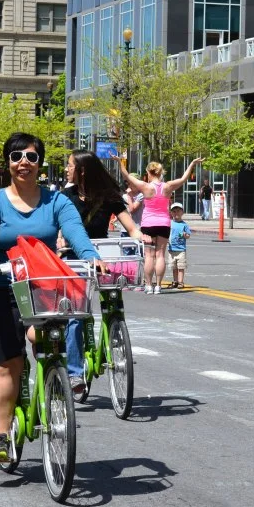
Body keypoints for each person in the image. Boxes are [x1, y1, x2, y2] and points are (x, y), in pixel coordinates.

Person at [0, 133, 105, 462]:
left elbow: (75, 230)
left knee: (46, 341)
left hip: (41, 290)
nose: (23, 163)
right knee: (8, 365)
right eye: (16, 157)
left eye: (31, 157)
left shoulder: (56, 201)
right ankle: (2, 436)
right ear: (8, 163)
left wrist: (90, 255)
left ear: (40, 163)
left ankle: (53, 388)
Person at [59, 150, 142, 393]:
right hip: (74, 259)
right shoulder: (65, 197)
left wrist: (141, 238)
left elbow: (130, 226)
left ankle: (114, 333)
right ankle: (75, 373)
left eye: (70, 165)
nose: (66, 169)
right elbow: (58, 228)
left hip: (103, 259)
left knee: (113, 303)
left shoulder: (109, 197)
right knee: (75, 315)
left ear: (82, 170)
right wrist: (58, 242)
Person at [117, 157, 202, 294]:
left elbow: (127, 176)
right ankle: (159, 285)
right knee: (160, 255)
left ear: (149, 173)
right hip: (163, 223)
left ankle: (149, 285)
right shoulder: (167, 186)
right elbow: (183, 179)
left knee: (149, 256)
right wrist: (192, 164)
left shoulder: (145, 186)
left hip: (148, 224)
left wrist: (119, 162)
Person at [167, 202, 191, 289]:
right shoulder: (170, 223)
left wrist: (185, 235)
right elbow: (167, 234)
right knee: (174, 267)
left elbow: (188, 235)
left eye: (178, 211)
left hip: (181, 249)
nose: (176, 213)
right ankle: (175, 281)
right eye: (174, 211)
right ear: (171, 213)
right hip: (171, 249)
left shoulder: (184, 224)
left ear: (182, 212)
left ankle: (181, 282)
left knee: (181, 266)